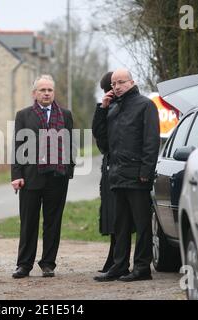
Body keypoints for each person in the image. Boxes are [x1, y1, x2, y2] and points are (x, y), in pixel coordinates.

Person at [93, 68, 160, 282]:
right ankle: (119, 265)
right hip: (118, 176)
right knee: (119, 225)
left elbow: (151, 142)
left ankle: (142, 268)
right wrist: (102, 110)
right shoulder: (112, 109)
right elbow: (102, 141)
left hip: (138, 176)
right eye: (114, 84)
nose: (117, 86)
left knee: (142, 225)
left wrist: (146, 172)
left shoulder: (145, 106)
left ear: (132, 82)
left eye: (121, 82)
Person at [11, 74, 75, 279]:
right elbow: (18, 146)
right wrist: (16, 175)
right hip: (30, 177)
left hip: (57, 177)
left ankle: (48, 263)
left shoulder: (65, 115)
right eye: (42, 90)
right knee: (28, 221)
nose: (46, 93)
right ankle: (24, 265)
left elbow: (70, 144)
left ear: (53, 93)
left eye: (49, 90)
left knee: (52, 222)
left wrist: (68, 172)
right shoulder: (23, 115)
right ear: (35, 93)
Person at [92, 72, 116, 273]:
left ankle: (117, 260)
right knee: (110, 213)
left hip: (121, 167)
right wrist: (101, 109)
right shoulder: (106, 108)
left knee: (119, 216)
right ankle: (112, 258)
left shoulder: (125, 107)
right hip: (108, 167)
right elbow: (99, 138)